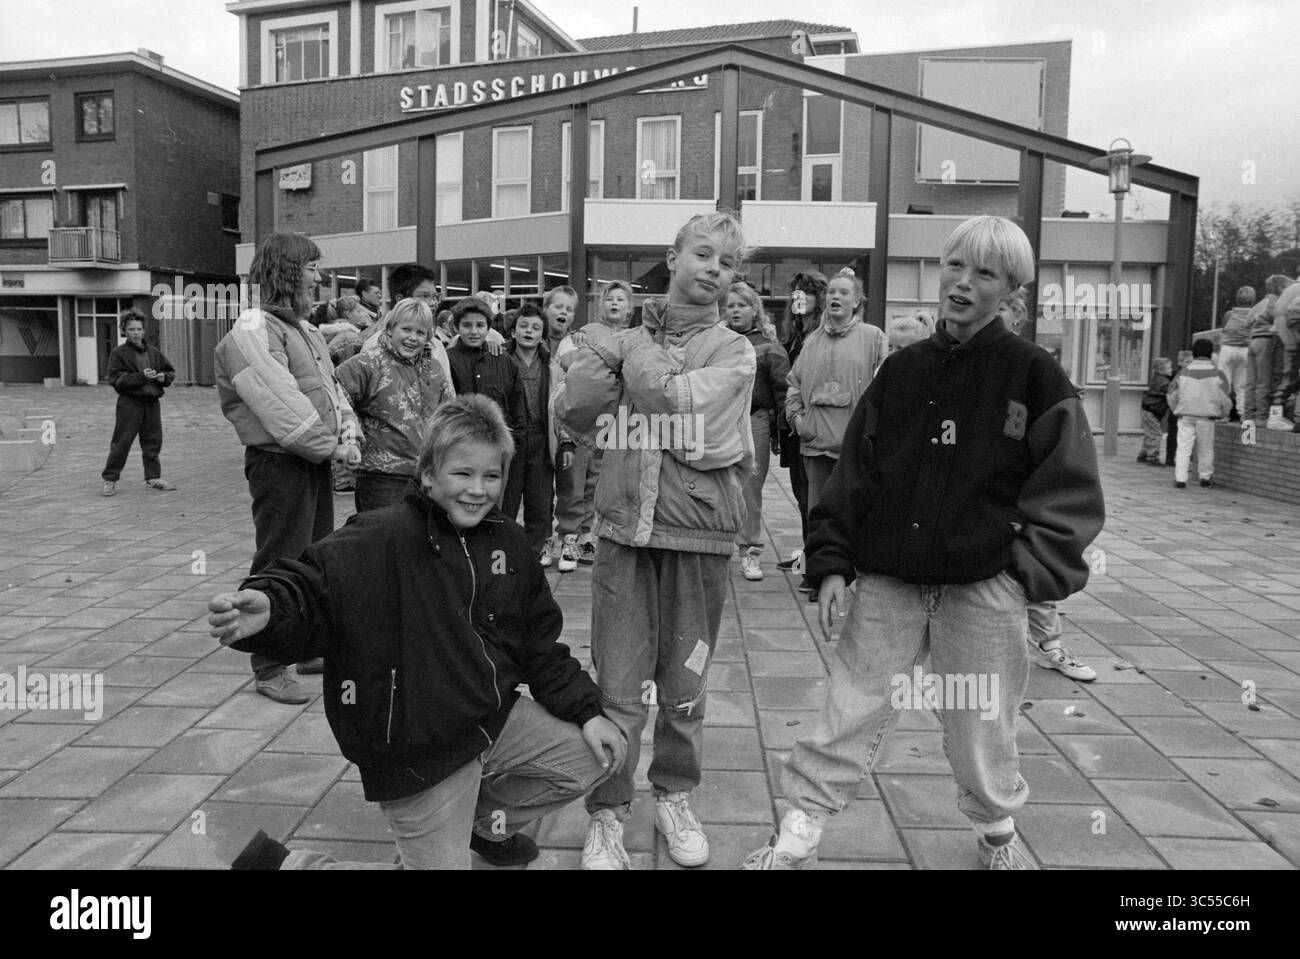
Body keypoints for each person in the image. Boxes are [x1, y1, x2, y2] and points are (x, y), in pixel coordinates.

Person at [742, 215, 1105, 871]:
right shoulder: (902, 370)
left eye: (984, 273)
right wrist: (830, 563)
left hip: (984, 587)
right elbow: (855, 473)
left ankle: (997, 832)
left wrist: (1023, 576)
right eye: (955, 266)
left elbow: (1070, 490)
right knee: (849, 703)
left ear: (1012, 293)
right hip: (889, 579)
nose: (963, 284)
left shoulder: (1035, 377)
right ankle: (801, 829)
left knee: (980, 721)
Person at [211, 395, 627, 871]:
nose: (478, 489)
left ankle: (481, 824)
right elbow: (312, 587)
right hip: (416, 747)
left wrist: (588, 711)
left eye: (491, 476)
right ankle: (290, 867)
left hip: (489, 719)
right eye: (462, 474)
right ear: (429, 474)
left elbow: (539, 643)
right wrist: (271, 608)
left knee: (597, 755)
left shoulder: (508, 542)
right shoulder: (381, 536)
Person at [558, 210, 756, 870]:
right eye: (702, 254)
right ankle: (609, 811)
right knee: (616, 685)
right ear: (672, 256)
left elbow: (685, 418)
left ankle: (674, 793)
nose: (714, 270)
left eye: (727, 264)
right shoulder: (616, 337)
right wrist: (601, 361)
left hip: (699, 542)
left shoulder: (733, 349)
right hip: (621, 534)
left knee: (686, 683)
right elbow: (576, 413)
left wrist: (630, 354)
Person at [214, 233, 361, 705]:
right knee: (279, 558)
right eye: (312, 267)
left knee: (313, 556)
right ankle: (268, 661)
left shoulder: (303, 329)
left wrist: (348, 434)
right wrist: (330, 446)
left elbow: (331, 391)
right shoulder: (254, 328)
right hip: (280, 464)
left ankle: (303, 645)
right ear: (288, 270)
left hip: (309, 459)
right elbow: (278, 401)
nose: (320, 276)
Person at [785, 267, 887, 518]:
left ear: (856, 301)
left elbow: (886, 387)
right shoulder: (812, 341)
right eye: (831, 291)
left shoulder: (874, 338)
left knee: (852, 519)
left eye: (843, 292)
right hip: (815, 446)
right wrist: (798, 421)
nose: (835, 297)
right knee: (817, 517)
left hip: (854, 450)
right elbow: (794, 385)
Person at [334, 298, 452, 513]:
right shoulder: (368, 363)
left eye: (420, 332)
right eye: (406, 329)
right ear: (390, 329)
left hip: (425, 475)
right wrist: (350, 438)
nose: (412, 338)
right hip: (381, 477)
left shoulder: (434, 368)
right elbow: (335, 395)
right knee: (382, 542)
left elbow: (449, 413)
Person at [552, 280, 632, 572]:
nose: (614, 303)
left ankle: (587, 535)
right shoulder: (585, 333)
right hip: (580, 422)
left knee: (596, 485)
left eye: (620, 299)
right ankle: (568, 537)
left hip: (611, 426)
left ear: (629, 307)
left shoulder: (635, 337)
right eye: (609, 299)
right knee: (572, 483)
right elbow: (566, 365)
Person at [725, 280, 789, 581]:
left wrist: (780, 431)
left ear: (755, 310)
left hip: (755, 421)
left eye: (741, 305)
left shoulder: (768, 345)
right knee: (719, 485)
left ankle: (750, 551)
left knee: (750, 489)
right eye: (731, 305)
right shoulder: (717, 339)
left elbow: (781, 389)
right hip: (720, 421)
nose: (735, 310)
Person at [446, 296, 526, 513]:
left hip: (498, 447)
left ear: (488, 328)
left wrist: (517, 439)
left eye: (480, 325)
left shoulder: (503, 360)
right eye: (467, 325)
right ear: (456, 327)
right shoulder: (447, 359)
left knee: (497, 503)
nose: (474, 331)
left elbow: (517, 401)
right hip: (462, 446)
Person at [775, 270, 828, 568]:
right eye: (795, 291)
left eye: (806, 292)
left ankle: (817, 562)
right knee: (802, 496)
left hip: (813, 426)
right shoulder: (794, 335)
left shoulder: (820, 334)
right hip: (794, 427)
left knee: (814, 498)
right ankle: (809, 556)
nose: (799, 297)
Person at [100, 308, 178, 496]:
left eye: (139, 329)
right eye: (131, 329)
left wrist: (162, 378)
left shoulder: (154, 352)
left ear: (144, 330)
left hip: (151, 403)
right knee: (122, 442)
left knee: (153, 441)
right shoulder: (119, 354)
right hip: (129, 404)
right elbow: (116, 381)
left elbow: (170, 372)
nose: (136, 333)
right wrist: (141, 377)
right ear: (124, 331)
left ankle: (153, 477)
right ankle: (110, 479)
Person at [502, 302, 556, 564]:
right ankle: (504, 551)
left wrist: (564, 442)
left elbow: (560, 406)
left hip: (541, 438)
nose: (528, 331)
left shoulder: (550, 365)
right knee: (508, 499)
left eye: (536, 328)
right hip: (511, 438)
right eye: (523, 326)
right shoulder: (501, 359)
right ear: (512, 332)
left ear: (543, 336)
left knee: (539, 499)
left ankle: (534, 552)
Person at [1169, 337, 1231, 489]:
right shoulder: (1219, 374)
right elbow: (1225, 398)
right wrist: (1223, 414)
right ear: (1211, 353)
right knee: (1206, 448)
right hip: (1207, 416)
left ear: (1194, 353)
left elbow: (1171, 394)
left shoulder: (1183, 372)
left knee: (1183, 447)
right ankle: (1205, 477)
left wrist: (1175, 410)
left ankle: (1180, 478)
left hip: (1185, 415)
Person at [1248, 275, 1290, 425]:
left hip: (1254, 340)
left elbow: (1249, 318)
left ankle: (1249, 418)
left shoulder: (1260, 302)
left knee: (1252, 382)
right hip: (1267, 340)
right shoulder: (1274, 300)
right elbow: (1276, 315)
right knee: (1265, 380)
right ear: (1280, 288)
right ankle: (1262, 416)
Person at [1217, 286, 1255, 421]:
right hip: (1245, 349)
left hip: (1228, 348)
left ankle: (1223, 414)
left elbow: (1224, 328)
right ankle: (1243, 414)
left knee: (1224, 383)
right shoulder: (1254, 314)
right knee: (1242, 385)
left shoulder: (1229, 314)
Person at [1138, 357, 1173, 464]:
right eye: (1169, 368)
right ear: (1161, 370)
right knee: (1156, 433)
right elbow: (1171, 390)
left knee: (1149, 433)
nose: (1171, 369)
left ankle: (1143, 453)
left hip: (1147, 409)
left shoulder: (1157, 378)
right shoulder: (1163, 381)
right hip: (1152, 410)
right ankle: (1153, 456)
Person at [1165, 349, 1194, 466]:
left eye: (1192, 362)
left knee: (1184, 437)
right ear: (1180, 363)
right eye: (1187, 362)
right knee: (1173, 434)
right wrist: (1175, 410)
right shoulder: (1179, 376)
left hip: (1186, 410)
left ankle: (1183, 458)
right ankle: (1170, 457)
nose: (1190, 365)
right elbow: (1171, 394)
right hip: (1177, 410)